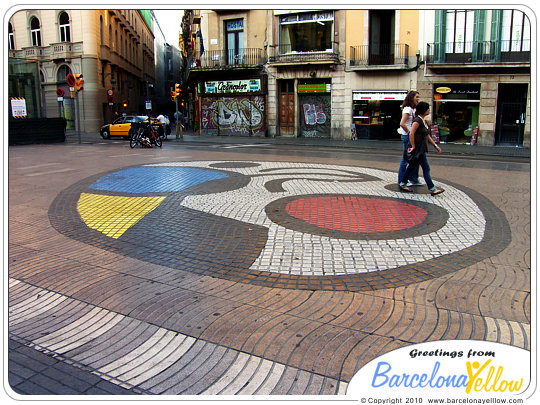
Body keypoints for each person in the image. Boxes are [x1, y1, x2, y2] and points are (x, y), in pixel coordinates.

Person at [399, 102, 444, 196]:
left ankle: (403, 183)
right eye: (428, 108)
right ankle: (432, 189)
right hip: (418, 149)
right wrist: (413, 146)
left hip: (422, 149)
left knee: (412, 166)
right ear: (424, 110)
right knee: (426, 168)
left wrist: (435, 146)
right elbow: (411, 133)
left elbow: (427, 135)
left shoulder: (424, 121)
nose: (429, 110)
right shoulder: (417, 121)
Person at [397, 91, 422, 187]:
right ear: (411, 98)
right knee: (406, 159)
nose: (418, 99)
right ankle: (402, 180)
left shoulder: (412, 109)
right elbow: (402, 123)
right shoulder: (408, 109)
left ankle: (413, 179)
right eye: (417, 97)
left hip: (410, 135)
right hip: (407, 136)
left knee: (414, 158)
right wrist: (409, 133)